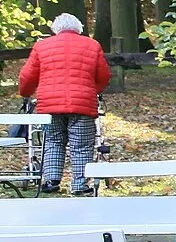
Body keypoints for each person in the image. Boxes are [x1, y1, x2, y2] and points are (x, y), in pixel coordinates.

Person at [17, 13, 111, 194]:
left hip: (49, 106)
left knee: (53, 141)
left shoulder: (41, 46)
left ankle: (51, 181)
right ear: (79, 28)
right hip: (82, 104)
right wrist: (93, 90)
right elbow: (104, 75)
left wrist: (25, 94)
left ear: (55, 29)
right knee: (82, 145)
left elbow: (27, 76)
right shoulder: (92, 45)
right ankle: (79, 185)